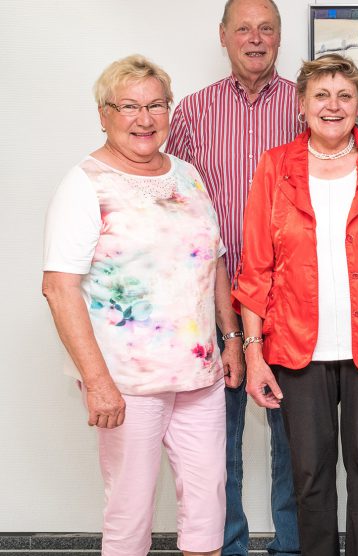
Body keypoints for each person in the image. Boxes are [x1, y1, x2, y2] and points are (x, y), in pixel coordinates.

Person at [233, 53, 358, 556]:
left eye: (344, 95)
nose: (333, 105)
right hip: (297, 350)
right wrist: (255, 353)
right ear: (302, 104)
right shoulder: (275, 167)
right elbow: (255, 269)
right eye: (321, 95)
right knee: (310, 479)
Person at [42, 55, 236, 556]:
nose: (144, 119)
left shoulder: (189, 176)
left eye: (155, 105)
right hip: (128, 385)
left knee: (208, 506)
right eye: (129, 106)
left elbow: (213, 263)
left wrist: (231, 339)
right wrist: (99, 382)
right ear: (104, 113)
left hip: (199, 376)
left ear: (170, 110)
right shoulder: (86, 184)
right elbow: (59, 288)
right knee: (129, 512)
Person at [165, 1, 305, 553]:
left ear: (279, 37)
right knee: (215, 444)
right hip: (213, 303)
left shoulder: (306, 106)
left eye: (266, 28)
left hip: (292, 300)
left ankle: (292, 546)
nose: (255, 38)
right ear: (222, 36)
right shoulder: (194, 113)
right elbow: (170, 198)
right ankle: (227, 546)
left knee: (294, 444)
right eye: (243, 28)